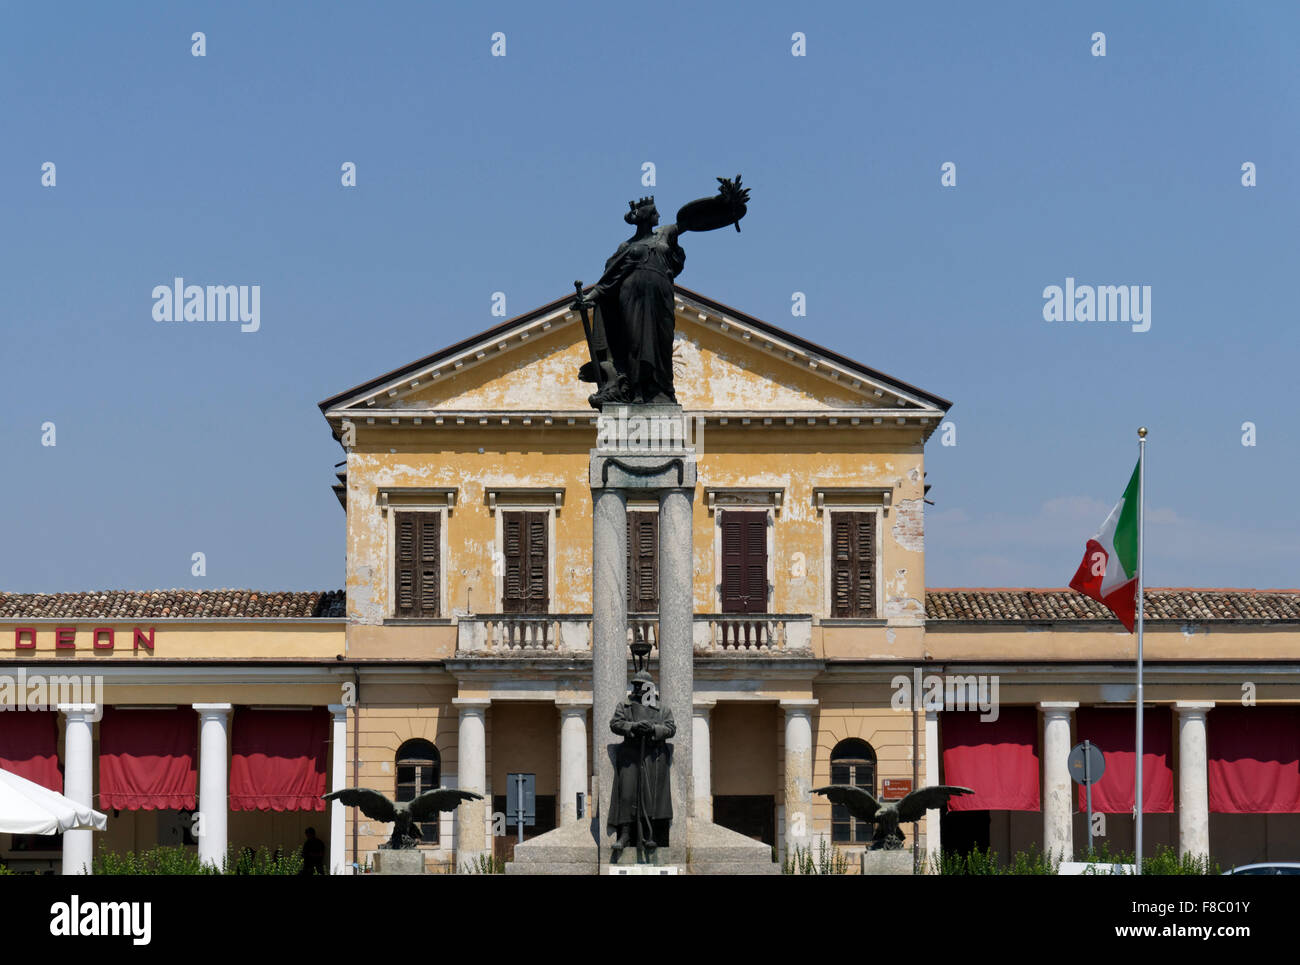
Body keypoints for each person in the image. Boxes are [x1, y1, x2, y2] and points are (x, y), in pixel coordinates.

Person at [607, 671, 675, 857]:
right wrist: (633, 727)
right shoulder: (625, 706)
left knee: (650, 796)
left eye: (641, 685)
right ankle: (625, 835)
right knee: (627, 795)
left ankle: (649, 835)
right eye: (635, 684)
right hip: (630, 755)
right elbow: (615, 724)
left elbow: (671, 728)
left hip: (653, 756)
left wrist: (653, 728)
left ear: (650, 688)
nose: (637, 688)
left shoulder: (662, 709)